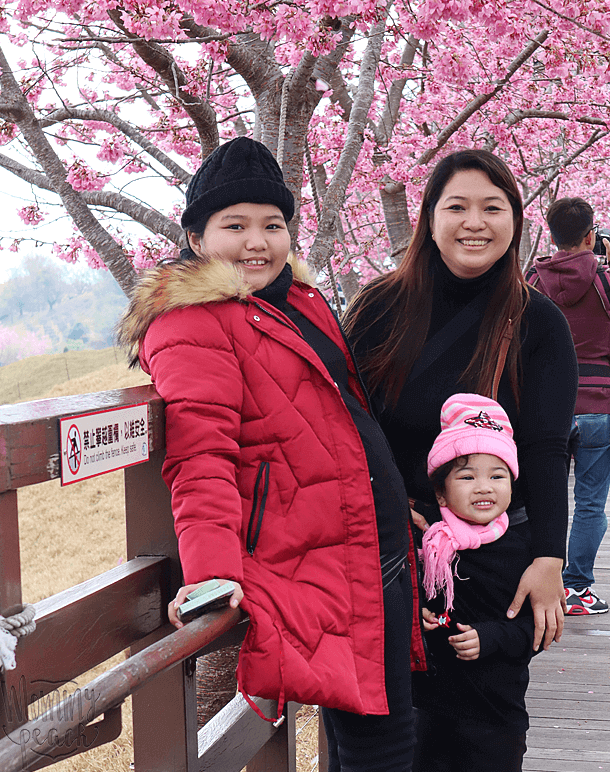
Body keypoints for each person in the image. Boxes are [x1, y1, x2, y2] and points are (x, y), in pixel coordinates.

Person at [119, 136, 423, 772]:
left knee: (373, 730)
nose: (257, 242)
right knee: (382, 740)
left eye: (273, 225)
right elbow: (200, 455)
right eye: (235, 225)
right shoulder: (193, 323)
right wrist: (209, 573)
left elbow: (346, 419)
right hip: (314, 561)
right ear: (197, 238)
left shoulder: (292, 303)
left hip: (373, 550)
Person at [343, 149, 578, 751]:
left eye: (492, 208)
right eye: (457, 207)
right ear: (428, 217)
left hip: (494, 558)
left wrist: (551, 558)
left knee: (486, 734)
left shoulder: (537, 322)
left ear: (516, 221)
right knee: (395, 736)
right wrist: (391, 506)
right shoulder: (379, 310)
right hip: (395, 553)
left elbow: (549, 448)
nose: (475, 222)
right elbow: (349, 428)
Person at [529, 198, 610, 614]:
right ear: (592, 235)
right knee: (590, 502)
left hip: (547, 407)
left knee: (546, 498)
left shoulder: (533, 281)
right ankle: (577, 589)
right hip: (599, 405)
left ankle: (545, 584)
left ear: (551, 234)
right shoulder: (607, 278)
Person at [416, 393, 536, 772]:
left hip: (496, 714)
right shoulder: (431, 545)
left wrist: (491, 638)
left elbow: (535, 629)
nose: (484, 486)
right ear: (440, 493)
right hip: (431, 710)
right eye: (466, 477)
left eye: (497, 476)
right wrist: (418, 614)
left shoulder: (524, 552)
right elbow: (417, 594)